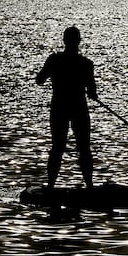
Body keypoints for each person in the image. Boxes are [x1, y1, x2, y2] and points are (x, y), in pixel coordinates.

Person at [34, 25, 98, 189]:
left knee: (58, 147)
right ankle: (89, 185)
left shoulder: (54, 60)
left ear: (64, 41)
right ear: (79, 41)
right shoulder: (86, 64)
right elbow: (92, 91)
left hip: (60, 108)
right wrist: (91, 93)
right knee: (83, 148)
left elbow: (39, 80)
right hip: (78, 108)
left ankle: (50, 186)